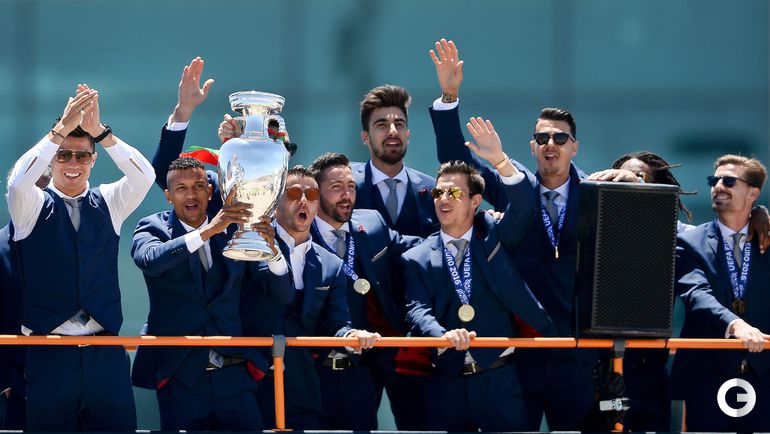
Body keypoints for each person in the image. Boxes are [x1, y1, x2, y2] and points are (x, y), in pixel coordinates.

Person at [429, 38, 598, 429]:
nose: (550, 145)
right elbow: (456, 162)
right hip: (522, 347)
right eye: (542, 139)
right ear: (532, 147)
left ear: (575, 147)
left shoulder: (596, 194)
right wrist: (449, 97)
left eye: (560, 138)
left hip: (577, 347)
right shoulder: (512, 182)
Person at [6, 85, 154, 430]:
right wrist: (58, 132)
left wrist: (100, 132)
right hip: (49, 355)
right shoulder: (31, 205)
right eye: (63, 155)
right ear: (52, 158)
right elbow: (17, 184)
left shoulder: (110, 201)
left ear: (93, 160)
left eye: (82, 156)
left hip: (105, 353)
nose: (73, 163)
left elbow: (145, 176)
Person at [131, 157, 294, 430]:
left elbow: (280, 293)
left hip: (235, 374)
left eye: (198, 186)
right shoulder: (152, 227)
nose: (191, 195)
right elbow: (150, 260)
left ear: (209, 191)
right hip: (179, 375)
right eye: (181, 188)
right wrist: (207, 232)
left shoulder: (236, 231)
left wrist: (274, 252)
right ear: (168, 196)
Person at [402, 159, 556, 431]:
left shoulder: (496, 236)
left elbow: (524, 205)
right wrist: (442, 336)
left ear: (476, 201)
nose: (444, 199)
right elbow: (417, 310)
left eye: (454, 192)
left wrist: (500, 161)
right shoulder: (416, 257)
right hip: (447, 382)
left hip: (501, 380)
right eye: (438, 192)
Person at [242, 166, 381, 429]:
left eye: (312, 195)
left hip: (301, 387)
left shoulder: (331, 264)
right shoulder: (253, 244)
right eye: (294, 193)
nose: (304, 200)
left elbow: (335, 322)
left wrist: (351, 336)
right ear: (275, 201)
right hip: (249, 384)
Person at [307, 152, 425, 430]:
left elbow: (421, 248)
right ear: (315, 193)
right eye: (337, 187)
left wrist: (473, 227)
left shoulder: (371, 223)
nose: (347, 195)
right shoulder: (299, 231)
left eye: (351, 186)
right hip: (312, 368)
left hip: (363, 368)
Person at [671, 154, 770, 431]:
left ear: (753, 193)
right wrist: (736, 325)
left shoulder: (767, 236)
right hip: (708, 377)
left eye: (729, 181)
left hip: (765, 375)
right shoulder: (690, 240)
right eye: (713, 180)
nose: (718, 186)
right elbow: (696, 293)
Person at [352, 85, 439, 238]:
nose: (393, 131)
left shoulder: (434, 191)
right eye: (382, 125)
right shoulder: (347, 187)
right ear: (365, 137)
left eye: (399, 124)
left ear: (408, 135)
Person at [0, 169, 50, 430]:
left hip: (64, 381)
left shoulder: (70, 247)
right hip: (12, 387)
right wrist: (5, 383)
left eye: (42, 194)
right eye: (26, 193)